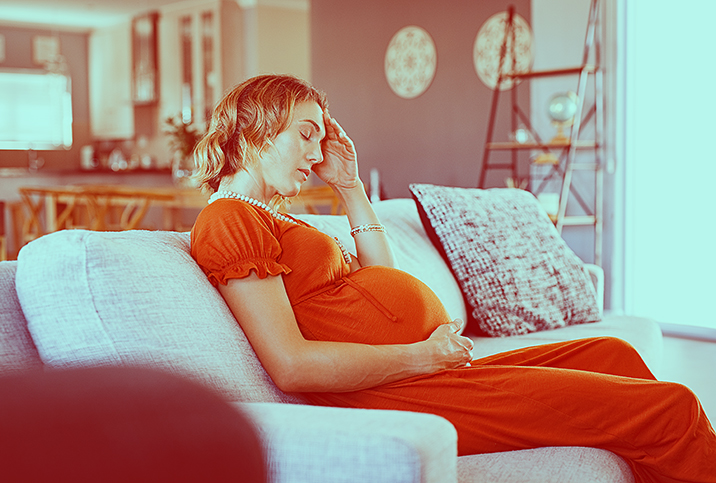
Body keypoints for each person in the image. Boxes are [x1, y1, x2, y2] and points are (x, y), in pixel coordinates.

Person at [190, 74, 715, 483]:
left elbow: (384, 281)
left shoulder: (279, 216)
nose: (316, 154)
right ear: (256, 128)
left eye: (320, 139)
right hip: (398, 392)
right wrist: (422, 356)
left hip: (432, 372)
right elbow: (292, 366)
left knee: (614, 354)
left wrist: (351, 188)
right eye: (306, 135)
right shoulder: (229, 219)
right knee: (675, 408)